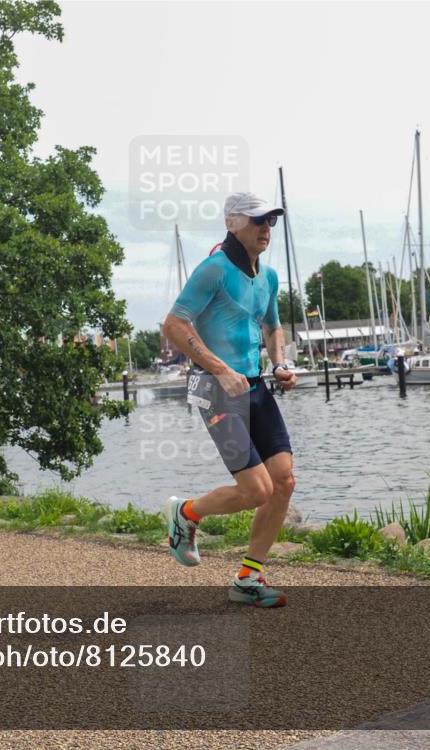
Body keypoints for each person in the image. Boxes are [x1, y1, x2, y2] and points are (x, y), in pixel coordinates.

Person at [160, 191, 297, 607]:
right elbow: (173, 324)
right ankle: (185, 514)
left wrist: (279, 362)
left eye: (271, 222)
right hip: (214, 390)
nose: (266, 229)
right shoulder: (213, 270)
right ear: (233, 222)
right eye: (258, 221)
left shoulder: (268, 277)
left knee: (284, 482)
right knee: (256, 490)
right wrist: (220, 369)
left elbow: (273, 326)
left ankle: (247, 579)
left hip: (254, 387)